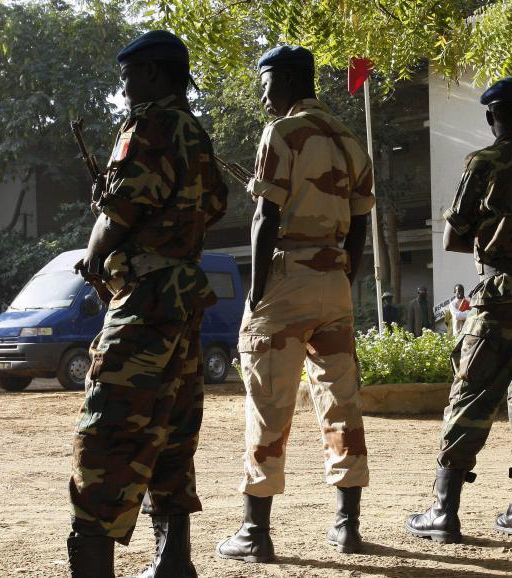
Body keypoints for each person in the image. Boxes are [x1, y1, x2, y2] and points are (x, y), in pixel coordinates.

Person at [66, 30, 228, 578]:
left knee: (108, 426)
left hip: (144, 299)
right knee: (173, 425)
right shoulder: (197, 135)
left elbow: (122, 208)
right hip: (183, 298)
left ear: (156, 74)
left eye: (130, 76)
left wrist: (93, 258)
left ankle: (93, 563)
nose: (126, 88)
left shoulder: (149, 125)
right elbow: (214, 207)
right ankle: (173, 562)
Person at [215, 45, 374, 563]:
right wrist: (346, 272)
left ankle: (255, 532)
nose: (262, 97)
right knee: (341, 401)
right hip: (335, 280)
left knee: (268, 400)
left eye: (265, 85)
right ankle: (347, 525)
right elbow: (362, 220)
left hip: (288, 277)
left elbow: (265, 217)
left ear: (286, 79)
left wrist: (258, 290)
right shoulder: (351, 140)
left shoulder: (282, 133)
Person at [405, 77, 512, 544]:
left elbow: (453, 236)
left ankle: (444, 511)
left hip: (500, 294)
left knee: (471, 395)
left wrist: (492, 234)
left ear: (490, 118)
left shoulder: (483, 162)